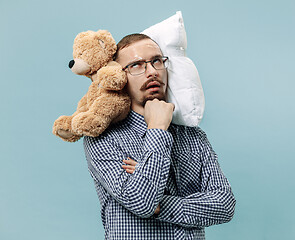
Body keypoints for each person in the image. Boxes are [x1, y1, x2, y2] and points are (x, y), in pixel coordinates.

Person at [83, 33, 236, 240]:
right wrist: (157, 129)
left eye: (156, 61)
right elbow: (143, 203)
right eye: (137, 65)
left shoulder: (194, 136)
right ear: (120, 77)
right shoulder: (103, 138)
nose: (152, 72)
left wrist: (161, 203)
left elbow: (225, 205)